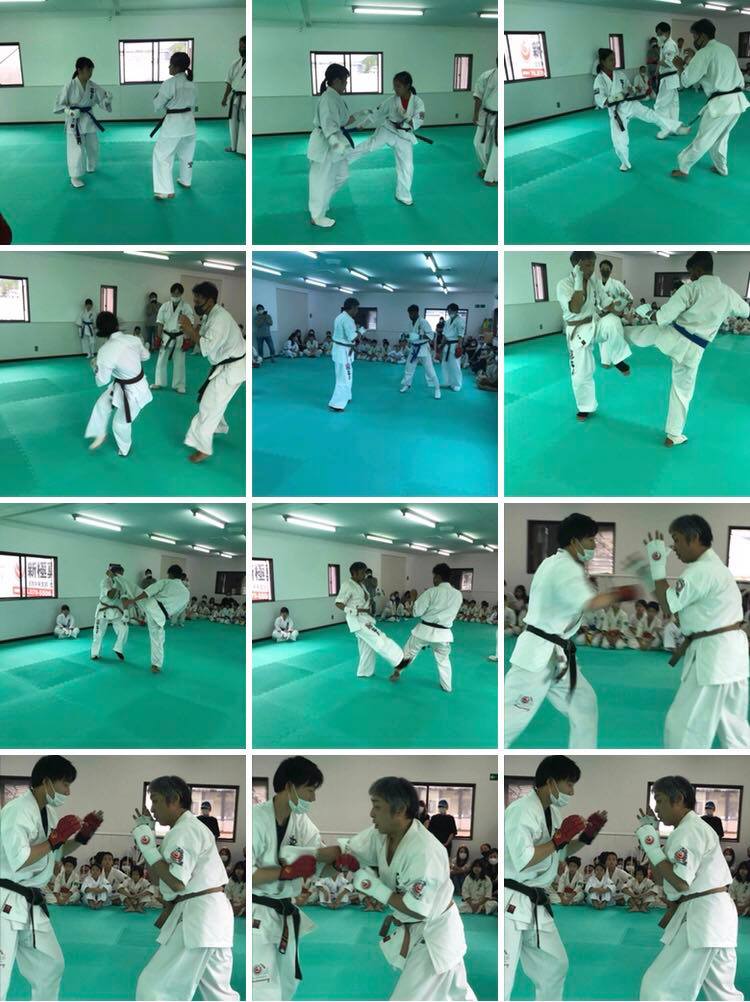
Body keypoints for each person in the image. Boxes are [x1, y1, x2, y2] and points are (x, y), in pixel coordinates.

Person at [505, 512, 639, 747]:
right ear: (575, 541)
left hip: (557, 656)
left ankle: (582, 754)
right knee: (509, 721)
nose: (594, 545)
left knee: (584, 705)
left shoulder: (553, 562)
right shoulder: (566, 567)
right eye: (591, 540)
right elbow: (591, 603)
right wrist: (621, 593)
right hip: (537, 654)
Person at [340, 776, 476, 999]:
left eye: (377, 806)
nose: (371, 814)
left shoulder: (424, 851)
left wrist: (374, 888)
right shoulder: (381, 835)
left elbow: (417, 909)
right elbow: (347, 852)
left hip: (433, 937)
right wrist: (308, 856)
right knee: (456, 993)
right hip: (421, 932)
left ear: (399, 810)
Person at [630, 515, 750, 747]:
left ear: (693, 538)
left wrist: (657, 565)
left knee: (684, 727)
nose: (673, 547)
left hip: (713, 659)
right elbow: (675, 608)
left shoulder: (701, 571)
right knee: (735, 732)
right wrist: (649, 574)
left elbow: (668, 605)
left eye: (676, 539)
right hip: (730, 658)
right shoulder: (715, 569)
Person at [252, 756, 356, 1000]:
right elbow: (251, 876)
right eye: (310, 790)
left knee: (288, 983)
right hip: (259, 910)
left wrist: (338, 864)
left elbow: (319, 867)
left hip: (286, 913)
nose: (313, 798)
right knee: (262, 985)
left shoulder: (301, 822)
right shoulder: (256, 819)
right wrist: (288, 872)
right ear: (289, 786)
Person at [504, 755, 608, 1001]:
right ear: (550, 782)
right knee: (505, 977)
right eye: (569, 784)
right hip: (514, 899)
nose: (572, 792)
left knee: (555, 965)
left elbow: (559, 853)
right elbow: (525, 859)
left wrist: (586, 838)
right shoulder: (521, 811)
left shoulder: (554, 813)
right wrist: (557, 840)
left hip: (537, 901)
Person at [0, 755, 103, 1001]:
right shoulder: (17, 811)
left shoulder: (50, 813)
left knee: (50, 966)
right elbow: (21, 859)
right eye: (65, 784)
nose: (68, 791)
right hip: (6, 899)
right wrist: (53, 840)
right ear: (46, 782)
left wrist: (82, 838)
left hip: (31, 901)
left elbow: (55, 853)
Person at [131, 775, 239, 1000]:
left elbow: (177, 882)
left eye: (156, 800)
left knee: (153, 987)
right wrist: (149, 841)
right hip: (211, 917)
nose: (152, 808)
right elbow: (157, 878)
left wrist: (148, 847)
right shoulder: (180, 831)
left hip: (199, 916)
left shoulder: (186, 830)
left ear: (174, 799)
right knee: (219, 994)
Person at [627, 251, 750, 445]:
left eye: (691, 272)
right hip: (694, 350)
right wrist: (721, 309)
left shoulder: (691, 289)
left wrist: (647, 313)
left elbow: (663, 317)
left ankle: (611, 342)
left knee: (637, 333)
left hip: (672, 337)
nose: (690, 277)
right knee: (682, 391)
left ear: (698, 270)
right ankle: (673, 435)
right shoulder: (728, 293)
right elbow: (746, 310)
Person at [637, 774, 742, 1001]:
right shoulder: (685, 830)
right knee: (723, 994)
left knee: (657, 987)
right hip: (715, 917)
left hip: (703, 917)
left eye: (660, 800)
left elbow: (681, 882)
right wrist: (653, 842)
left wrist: (652, 847)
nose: (656, 808)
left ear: (678, 799)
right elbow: (661, 878)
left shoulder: (689, 830)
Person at [556, 252, 632, 420]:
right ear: (577, 266)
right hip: (577, 332)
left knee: (612, 322)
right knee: (580, 374)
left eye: (593, 264)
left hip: (594, 324)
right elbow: (575, 308)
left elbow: (607, 303)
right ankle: (585, 407)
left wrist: (624, 314)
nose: (592, 269)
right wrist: (578, 279)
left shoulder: (594, 282)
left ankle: (617, 358)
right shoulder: (564, 284)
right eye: (587, 265)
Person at [670, 18, 749, 179]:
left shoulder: (704, 53)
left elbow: (687, 81)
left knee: (704, 137)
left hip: (721, 105)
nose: (694, 40)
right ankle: (721, 168)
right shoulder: (725, 48)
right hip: (737, 102)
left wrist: (680, 67)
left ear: (703, 36)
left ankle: (683, 167)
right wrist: (694, 59)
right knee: (721, 137)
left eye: (695, 36)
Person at [179, 282, 246, 463]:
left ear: (210, 300)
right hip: (227, 364)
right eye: (194, 300)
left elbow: (205, 348)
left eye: (198, 301)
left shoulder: (219, 319)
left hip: (232, 368)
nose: (195, 304)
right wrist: (191, 331)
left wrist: (189, 329)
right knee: (215, 401)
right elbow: (202, 337)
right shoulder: (211, 314)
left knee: (208, 405)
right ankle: (218, 426)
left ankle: (203, 448)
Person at [593, 48, 688, 172]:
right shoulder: (599, 80)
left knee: (652, 115)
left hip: (630, 104)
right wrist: (621, 95)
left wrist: (634, 89)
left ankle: (676, 127)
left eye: (614, 59)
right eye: (611, 60)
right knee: (619, 142)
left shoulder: (620, 74)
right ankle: (625, 163)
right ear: (603, 62)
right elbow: (601, 101)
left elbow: (628, 87)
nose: (614, 62)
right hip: (617, 113)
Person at [347, 71, 426, 205]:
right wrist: (363, 124)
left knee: (407, 166)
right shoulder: (391, 100)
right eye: (394, 86)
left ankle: (403, 195)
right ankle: (343, 161)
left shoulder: (418, 102)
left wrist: (406, 116)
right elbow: (377, 113)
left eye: (398, 86)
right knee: (369, 146)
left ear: (407, 86)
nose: (395, 89)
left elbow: (417, 122)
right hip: (388, 129)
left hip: (404, 135)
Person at [84, 310, 152, 456]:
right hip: (124, 385)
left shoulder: (105, 351)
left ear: (100, 330)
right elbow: (146, 356)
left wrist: (95, 367)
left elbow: (102, 380)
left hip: (134, 392)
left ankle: (124, 449)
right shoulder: (133, 339)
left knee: (120, 424)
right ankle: (99, 433)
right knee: (102, 404)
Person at [391, 563, 463, 691]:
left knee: (409, 652)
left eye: (434, 576)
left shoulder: (432, 591)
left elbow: (416, 612)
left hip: (424, 631)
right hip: (443, 634)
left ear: (438, 577)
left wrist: (414, 598)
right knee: (443, 660)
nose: (433, 579)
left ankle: (398, 671)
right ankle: (447, 686)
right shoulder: (458, 594)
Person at [335, 562, 411, 676]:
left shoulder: (361, 584)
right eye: (362, 573)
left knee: (367, 647)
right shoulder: (347, 585)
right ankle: (400, 661)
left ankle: (364, 671)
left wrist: (369, 602)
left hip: (365, 617)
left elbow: (363, 598)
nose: (364, 575)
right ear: (354, 573)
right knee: (378, 637)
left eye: (365, 573)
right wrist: (352, 610)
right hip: (357, 620)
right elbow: (338, 602)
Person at [307, 63, 357, 228]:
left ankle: (323, 203)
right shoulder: (328, 99)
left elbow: (341, 120)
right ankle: (317, 215)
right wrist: (335, 142)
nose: (346, 85)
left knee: (342, 175)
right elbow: (328, 125)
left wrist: (359, 116)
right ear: (336, 81)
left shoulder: (335, 97)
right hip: (325, 143)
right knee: (320, 180)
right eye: (345, 81)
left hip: (335, 140)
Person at [53, 57, 112, 189]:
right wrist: (69, 111)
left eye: (91, 70)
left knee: (93, 146)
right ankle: (74, 176)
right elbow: (58, 105)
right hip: (74, 121)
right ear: (79, 70)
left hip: (88, 120)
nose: (90, 73)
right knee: (76, 149)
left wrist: (107, 100)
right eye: (88, 70)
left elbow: (102, 101)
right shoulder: (69, 86)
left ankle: (90, 165)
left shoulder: (93, 86)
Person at [122, 564, 189, 674]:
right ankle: (156, 665)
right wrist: (167, 614)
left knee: (133, 589)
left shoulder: (166, 582)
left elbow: (146, 593)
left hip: (152, 605)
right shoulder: (186, 593)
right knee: (157, 640)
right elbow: (179, 610)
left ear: (170, 574)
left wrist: (132, 601)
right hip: (161, 616)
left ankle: (117, 578)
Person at [152, 51, 197, 200]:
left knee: (162, 155)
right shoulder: (192, 84)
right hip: (189, 124)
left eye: (170, 65)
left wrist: (157, 97)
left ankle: (165, 190)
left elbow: (157, 105)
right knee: (187, 154)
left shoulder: (169, 83)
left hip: (174, 124)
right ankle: (186, 181)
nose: (169, 67)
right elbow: (194, 104)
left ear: (176, 67)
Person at [151, 283, 195, 394]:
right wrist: (158, 337)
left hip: (180, 337)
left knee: (179, 363)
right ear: (171, 293)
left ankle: (179, 385)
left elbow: (189, 324)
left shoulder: (186, 307)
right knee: (161, 361)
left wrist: (187, 339)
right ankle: (159, 382)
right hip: (166, 337)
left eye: (178, 293)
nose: (176, 295)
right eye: (174, 293)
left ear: (181, 294)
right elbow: (160, 323)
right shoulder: (164, 306)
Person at [91, 563, 131, 661]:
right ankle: (95, 653)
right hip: (103, 610)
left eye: (122, 574)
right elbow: (110, 595)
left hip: (115, 611)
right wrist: (116, 582)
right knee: (98, 633)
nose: (122, 576)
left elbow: (124, 598)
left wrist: (126, 611)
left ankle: (118, 648)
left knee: (124, 628)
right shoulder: (105, 581)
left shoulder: (122, 583)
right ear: (115, 573)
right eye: (120, 574)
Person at [401, 305, 440, 399]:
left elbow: (431, 335)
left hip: (423, 348)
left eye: (411, 313)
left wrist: (419, 337)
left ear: (416, 312)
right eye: (409, 314)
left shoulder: (423, 322)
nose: (410, 316)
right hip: (414, 348)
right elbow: (412, 336)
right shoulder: (410, 323)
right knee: (409, 367)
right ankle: (406, 385)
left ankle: (437, 389)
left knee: (429, 370)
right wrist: (407, 336)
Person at [328, 297, 360, 411]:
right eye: (356, 309)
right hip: (343, 352)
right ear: (352, 308)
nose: (357, 311)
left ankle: (346, 396)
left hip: (340, 350)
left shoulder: (339, 317)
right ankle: (337, 404)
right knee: (344, 377)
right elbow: (352, 337)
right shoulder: (348, 320)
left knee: (346, 374)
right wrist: (360, 332)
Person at [472, 58, 498, 185]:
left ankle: (492, 177)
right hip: (486, 114)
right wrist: (475, 114)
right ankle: (486, 167)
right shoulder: (487, 75)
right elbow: (478, 96)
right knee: (478, 143)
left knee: (497, 147)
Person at [222, 35, 246, 156]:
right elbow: (229, 82)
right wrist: (225, 97)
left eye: (243, 46)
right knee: (233, 123)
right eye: (240, 46)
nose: (241, 49)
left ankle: (244, 149)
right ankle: (234, 146)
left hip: (246, 98)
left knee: (245, 124)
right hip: (235, 97)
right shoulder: (235, 63)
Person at [654, 22, 682, 126]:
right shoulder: (665, 44)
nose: (659, 36)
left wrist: (658, 62)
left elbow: (669, 62)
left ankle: (665, 126)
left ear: (668, 32)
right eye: (657, 34)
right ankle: (674, 125)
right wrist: (658, 68)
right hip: (670, 78)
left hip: (668, 79)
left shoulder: (669, 45)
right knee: (672, 104)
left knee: (661, 104)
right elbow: (664, 61)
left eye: (660, 34)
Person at [439, 304, 465, 392]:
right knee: (445, 365)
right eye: (448, 311)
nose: (449, 312)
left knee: (455, 366)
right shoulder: (448, 321)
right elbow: (444, 335)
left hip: (455, 345)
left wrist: (459, 347)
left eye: (450, 310)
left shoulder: (460, 321)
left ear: (455, 311)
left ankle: (457, 384)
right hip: (447, 345)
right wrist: (441, 345)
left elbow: (461, 335)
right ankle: (447, 382)